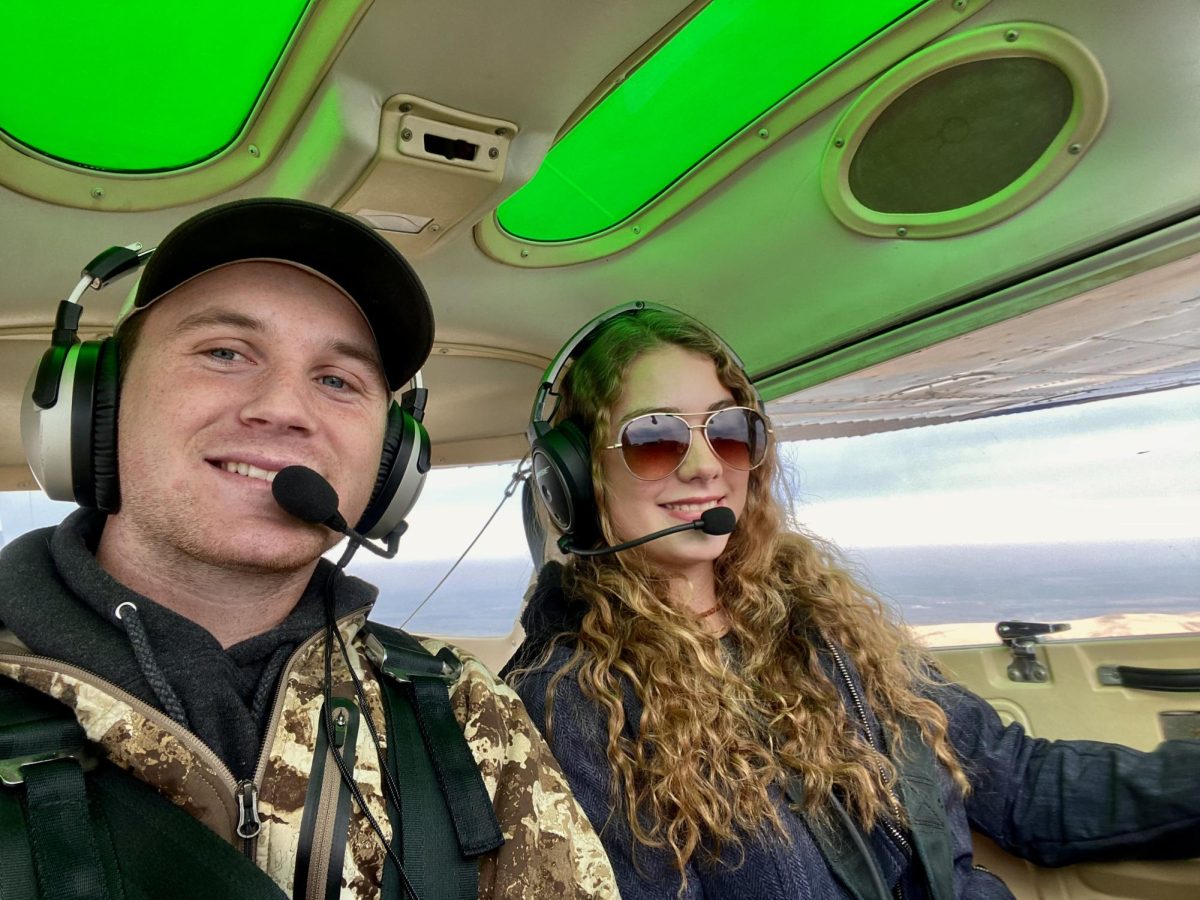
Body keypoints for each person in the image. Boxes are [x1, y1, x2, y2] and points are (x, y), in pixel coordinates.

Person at [0, 198, 617, 899]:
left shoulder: (466, 713)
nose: (285, 409)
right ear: (94, 405)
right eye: (225, 352)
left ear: (389, 466)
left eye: (336, 380)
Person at [505, 301, 1200, 899]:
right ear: (577, 474)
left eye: (727, 431)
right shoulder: (577, 701)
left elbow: (1023, 784)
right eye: (654, 438)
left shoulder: (823, 624)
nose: (704, 465)